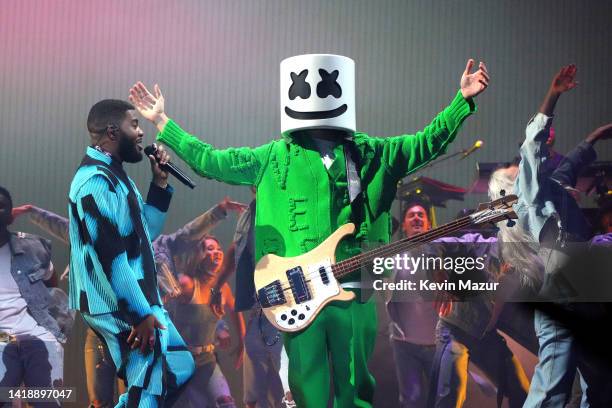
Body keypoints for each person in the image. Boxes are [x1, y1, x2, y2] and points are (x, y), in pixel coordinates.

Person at [130, 54, 489, 407]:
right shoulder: (273, 156)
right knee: (308, 386)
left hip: (355, 288)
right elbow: (210, 160)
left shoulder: (371, 152)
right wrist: (163, 121)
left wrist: (461, 101)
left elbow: (426, 143)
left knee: (355, 388)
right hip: (298, 291)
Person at [13, 198, 243, 407]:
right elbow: (64, 226)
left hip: (138, 332)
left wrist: (220, 210)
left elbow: (190, 232)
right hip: (100, 329)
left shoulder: (158, 246)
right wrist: (31, 210)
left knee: (135, 396)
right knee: (98, 398)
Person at [67, 99, 195, 407]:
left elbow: (142, 237)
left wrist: (160, 184)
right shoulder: (95, 182)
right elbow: (112, 261)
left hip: (139, 296)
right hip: (117, 302)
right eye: (134, 125)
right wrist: (140, 314)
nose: (140, 133)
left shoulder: (115, 175)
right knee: (150, 382)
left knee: (179, 365)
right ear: (113, 131)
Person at [510, 65, 612, 407]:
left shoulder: (555, 186)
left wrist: (593, 139)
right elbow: (532, 147)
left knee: (599, 386)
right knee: (551, 390)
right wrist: (552, 98)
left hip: (586, 291)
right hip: (561, 290)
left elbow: (569, 165)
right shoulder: (533, 191)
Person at [0, 186, 66, 408]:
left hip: (36, 335)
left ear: (10, 216)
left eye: (1, 207)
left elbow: (52, 282)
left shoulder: (31, 247)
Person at [166, 235, 245, 408]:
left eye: (218, 249)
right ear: (198, 255)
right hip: (180, 361)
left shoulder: (223, 287)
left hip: (207, 360)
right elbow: (162, 307)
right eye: (210, 249)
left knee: (226, 403)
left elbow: (235, 310)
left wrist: (242, 342)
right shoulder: (186, 283)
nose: (216, 252)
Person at [385, 200, 438, 408]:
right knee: (411, 401)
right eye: (411, 216)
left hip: (438, 344)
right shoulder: (392, 260)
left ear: (429, 225)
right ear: (404, 226)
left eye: (421, 215)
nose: (416, 218)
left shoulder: (442, 258)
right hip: (404, 344)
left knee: (441, 399)